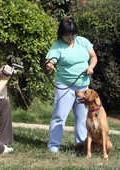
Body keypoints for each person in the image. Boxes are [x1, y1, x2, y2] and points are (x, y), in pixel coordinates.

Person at [45, 18, 98, 153]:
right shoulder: (57, 46)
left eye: (73, 34)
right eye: (67, 35)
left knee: (82, 118)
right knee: (59, 116)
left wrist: (91, 67)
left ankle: (81, 145)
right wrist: (49, 64)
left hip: (83, 87)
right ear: (61, 34)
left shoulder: (83, 41)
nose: (71, 38)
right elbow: (50, 60)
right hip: (65, 86)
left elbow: (93, 56)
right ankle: (53, 145)